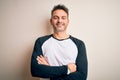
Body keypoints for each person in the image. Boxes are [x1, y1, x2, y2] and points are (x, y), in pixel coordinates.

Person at [31, 4, 88, 80]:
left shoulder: (79, 44)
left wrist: (49, 69)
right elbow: (35, 70)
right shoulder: (40, 42)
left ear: (68, 21)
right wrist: (67, 69)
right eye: (56, 18)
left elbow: (82, 76)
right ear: (51, 21)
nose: (60, 20)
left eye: (63, 18)